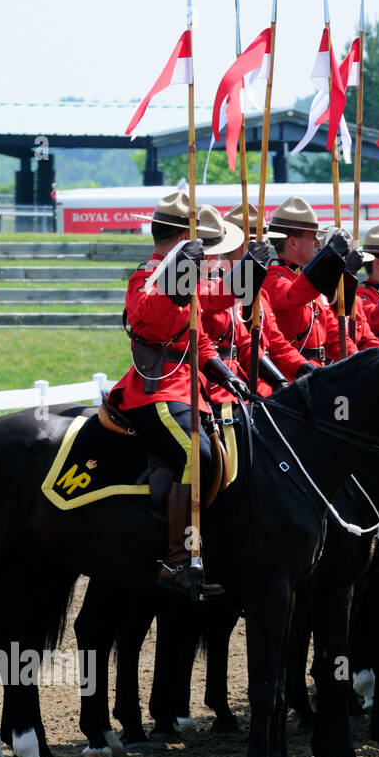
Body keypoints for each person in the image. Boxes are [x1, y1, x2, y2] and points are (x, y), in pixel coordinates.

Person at [106, 191, 248, 596]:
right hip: (153, 391)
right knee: (196, 454)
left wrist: (226, 376)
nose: (205, 255)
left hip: (191, 390)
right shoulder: (145, 276)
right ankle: (177, 559)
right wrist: (177, 277)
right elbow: (144, 316)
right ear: (180, 239)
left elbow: (201, 341)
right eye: (197, 243)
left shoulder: (187, 280)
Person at [221, 203, 313, 383]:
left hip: (264, 387)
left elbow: (278, 347)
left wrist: (312, 372)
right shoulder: (216, 291)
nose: (268, 249)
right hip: (226, 389)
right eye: (262, 244)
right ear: (245, 247)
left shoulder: (261, 295)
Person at [258, 196, 353, 365]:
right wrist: (328, 256)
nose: (318, 243)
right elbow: (293, 295)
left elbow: (335, 338)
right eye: (313, 237)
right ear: (293, 243)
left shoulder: (308, 282)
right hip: (290, 376)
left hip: (319, 373)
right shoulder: (272, 278)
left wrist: (364, 361)